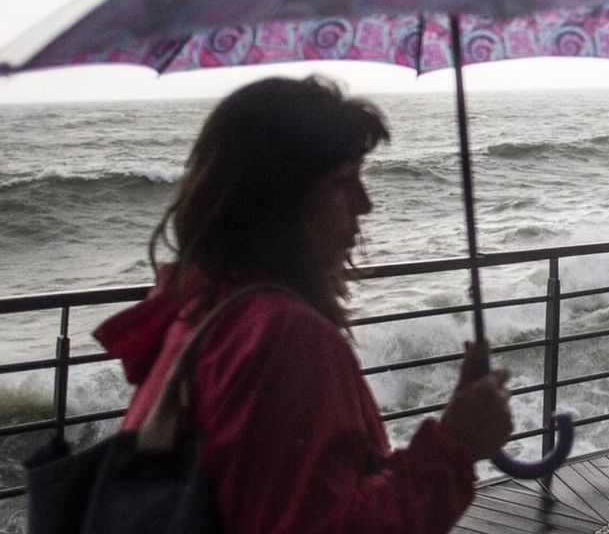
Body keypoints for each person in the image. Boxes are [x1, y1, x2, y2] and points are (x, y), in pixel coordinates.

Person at [94, 76, 514, 533]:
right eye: (344, 181)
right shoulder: (280, 335)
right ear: (278, 200)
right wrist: (455, 445)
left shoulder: (198, 311)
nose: (366, 204)